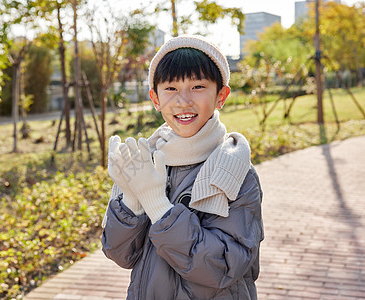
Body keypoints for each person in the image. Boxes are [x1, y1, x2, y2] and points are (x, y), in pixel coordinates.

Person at [101, 34, 264, 300]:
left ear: (221, 95)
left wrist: (157, 206)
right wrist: (131, 197)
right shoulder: (146, 163)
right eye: (171, 89)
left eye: (198, 86)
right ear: (155, 99)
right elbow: (119, 253)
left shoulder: (237, 172)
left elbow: (222, 267)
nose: (183, 101)